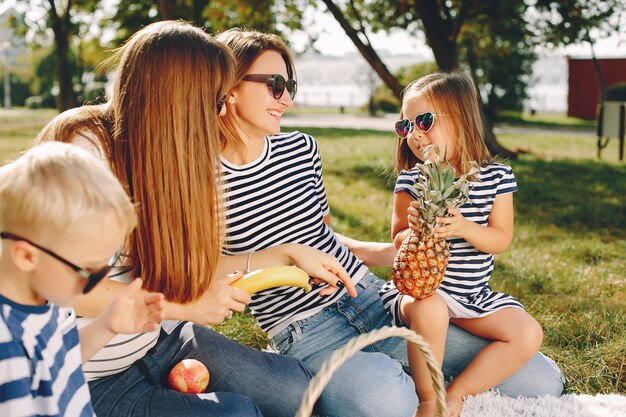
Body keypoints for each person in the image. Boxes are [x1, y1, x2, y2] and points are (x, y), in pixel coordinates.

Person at [215, 28, 565, 417]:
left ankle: (401, 375)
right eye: (275, 85)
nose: (288, 98)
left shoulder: (302, 148)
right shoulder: (199, 177)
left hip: (372, 298)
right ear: (229, 87)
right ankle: (385, 379)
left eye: (289, 85)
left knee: (539, 380)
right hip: (305, 326)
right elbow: (200, 269)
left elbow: (323, 237)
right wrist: (283, 258)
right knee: (388, 403)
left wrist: (398, 251)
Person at [35, 21, 356, 417]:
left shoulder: (170, 158)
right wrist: (180, 308)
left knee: (295, 393)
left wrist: (287, 254)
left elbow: (191, 270)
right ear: (179, 98)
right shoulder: (84, 149)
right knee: (238, 413)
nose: (222, 111)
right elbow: (60, 286)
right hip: (85, 373)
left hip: (152, 340)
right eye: (217, 99)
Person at [379, 71, 545, 417]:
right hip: (422, 291)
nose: (415, 134)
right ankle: (428, 398)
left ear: (462, 119)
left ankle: (457, 393)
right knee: (432, 309)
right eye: (405, 126)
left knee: (528, 333)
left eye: (424, 121)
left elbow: (501, 238)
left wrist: (465, 227)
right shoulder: (411, 180)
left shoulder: (497, 177)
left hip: (472, 295)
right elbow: (397, 239)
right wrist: (412, 231)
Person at [0, 142, 165, 417]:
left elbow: (62, 361)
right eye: (90, 271)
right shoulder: (7, 345)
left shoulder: (46, 296)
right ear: (27, 257)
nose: (102, 283)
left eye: (109, 262)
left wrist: (106, 325)